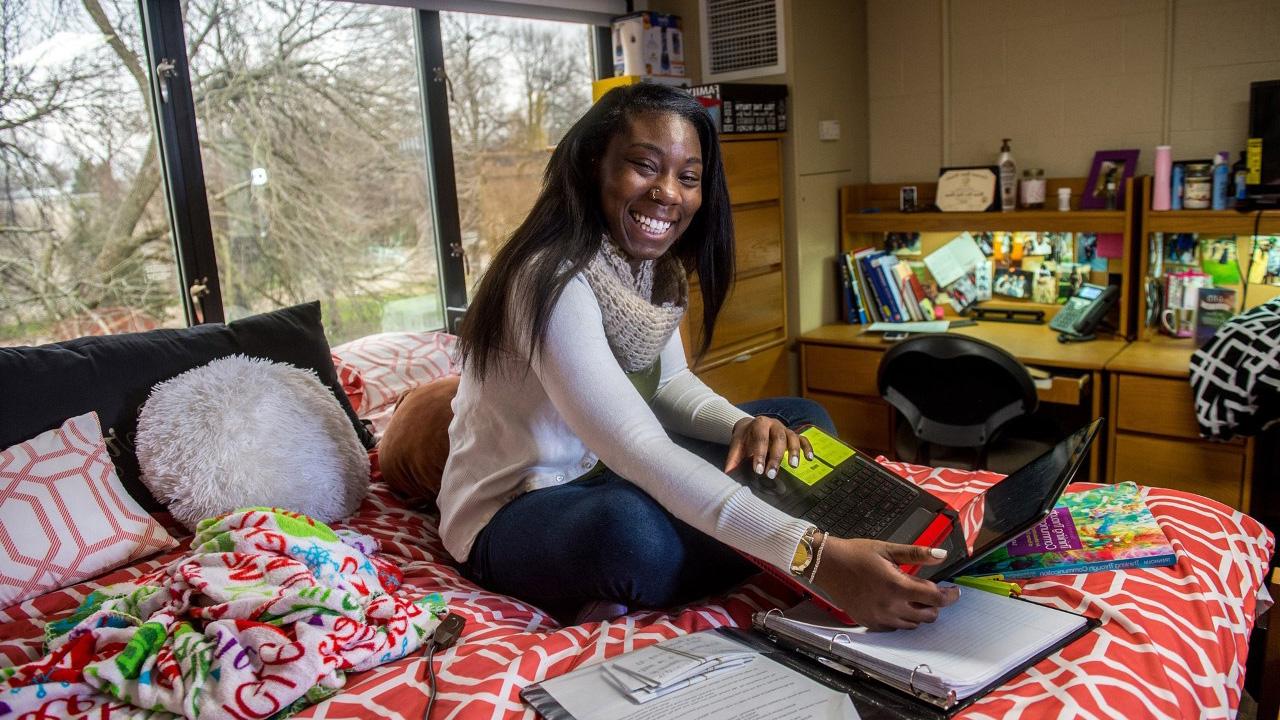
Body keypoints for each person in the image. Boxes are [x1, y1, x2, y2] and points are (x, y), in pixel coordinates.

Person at [437, 84, 959, 630]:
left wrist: (745, 425)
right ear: (595, 164)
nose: (668, 193)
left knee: (800, 425)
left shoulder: (648, 267)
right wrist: (814, 559)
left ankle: (743, 537)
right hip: (523, 505)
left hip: (610, 469)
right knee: (633, 536)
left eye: (688, 178)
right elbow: (638, 446)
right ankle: (779, 534)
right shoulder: (550, 279)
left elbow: (668, 387)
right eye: (644, 166)